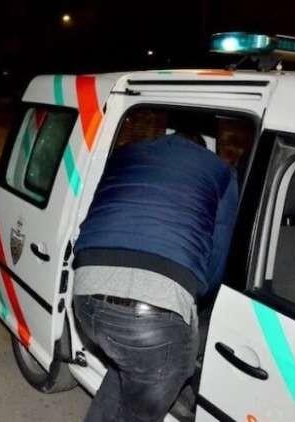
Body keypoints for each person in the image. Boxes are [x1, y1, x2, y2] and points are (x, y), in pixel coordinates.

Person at [73, 133, 238, 422]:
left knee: (132, 363)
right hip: (153, 315)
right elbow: (218, 252)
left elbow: (99, 214)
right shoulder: (221, 172)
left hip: (86, 295)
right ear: (203, 149)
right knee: (163, 376)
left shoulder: (126, 155)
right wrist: (198, 297)